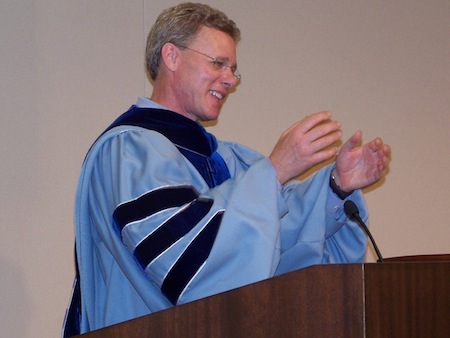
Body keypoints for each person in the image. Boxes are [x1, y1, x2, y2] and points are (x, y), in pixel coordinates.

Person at [63, 2, 391, 336]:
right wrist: (274, 170)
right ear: (172, 57)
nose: (230, 80)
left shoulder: (225, 158)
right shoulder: (127, 151)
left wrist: (337, 187)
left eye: (233, 69)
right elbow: (188, 262)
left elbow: (270, 238)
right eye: (218, 63)